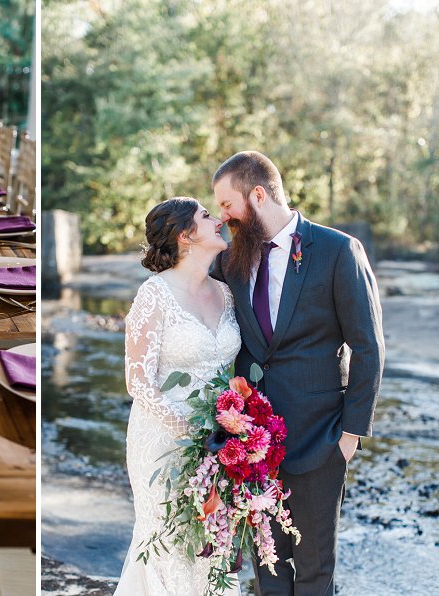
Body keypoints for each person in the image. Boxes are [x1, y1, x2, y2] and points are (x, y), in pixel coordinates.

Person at [210, 150, 385, 595]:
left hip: (321, 439)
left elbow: (368, 347)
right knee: (267, 570)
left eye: (228, 204)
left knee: (313, 572)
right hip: (253, 446)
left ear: (258, 194)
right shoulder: (231, 260)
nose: (223, 216)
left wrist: (349, 437)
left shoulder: (337, 250)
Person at [117, 197, 242, 595]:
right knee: (169, 543)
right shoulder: (154, 295)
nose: (219, 219)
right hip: (163, 441)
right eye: (207, 216)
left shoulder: (227, 294)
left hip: (219, 443)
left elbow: (232, 374)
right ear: (186, 236)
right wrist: (189, 431)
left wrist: (233, 427)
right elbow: (138, 380)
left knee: (212, 543)